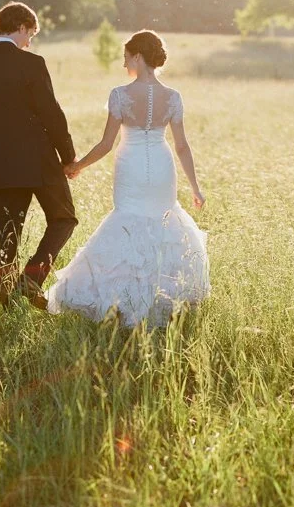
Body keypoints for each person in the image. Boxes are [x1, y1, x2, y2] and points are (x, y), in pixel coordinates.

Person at [47, 30, 210, 328]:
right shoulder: (172, 97)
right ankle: (161, 297)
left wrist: (78, 165)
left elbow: (106, 144)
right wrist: (196, 188)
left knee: (127, 220)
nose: (124, 64)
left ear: (138, 56)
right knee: (163, 220)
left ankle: (123, 300)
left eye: (125, 57)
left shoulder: (120, 95)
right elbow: (182, 146)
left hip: (131, 166)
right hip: (162, 165)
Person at [0, 2, 78, 310]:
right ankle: (32, 279)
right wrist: (68, 155)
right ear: (23, 27)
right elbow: (52, 113)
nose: (30, 41)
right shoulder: (32, 64)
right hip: (39, 160)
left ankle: (8, 302)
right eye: (31, 34)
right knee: (64, 218)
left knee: (7, 232)